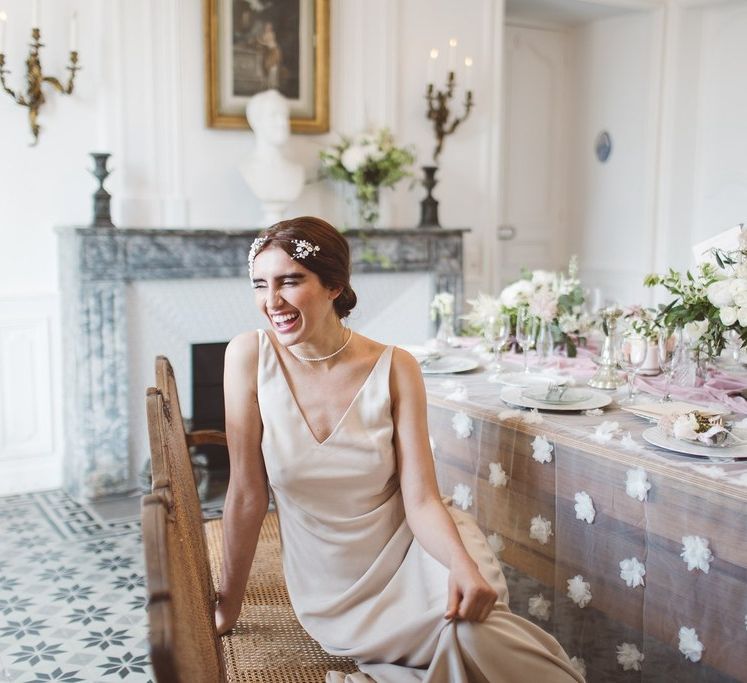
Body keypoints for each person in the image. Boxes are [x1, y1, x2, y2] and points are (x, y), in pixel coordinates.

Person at [215, 216, 584, 682]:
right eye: (260, 285)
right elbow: (247, 494)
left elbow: (423, 499)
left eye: (291, 281)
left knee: (475, 629)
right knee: (468, 639)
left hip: (420, 549)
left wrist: (461, 565)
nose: (272, 303)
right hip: (337, 591)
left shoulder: (395, 367)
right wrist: (227, 606)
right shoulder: (248, 356)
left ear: (334, 286)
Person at [238, 89, 304, 224]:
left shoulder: (297, 170)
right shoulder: (246, 168)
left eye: (285, 116)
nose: (282, 123)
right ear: (255, 121)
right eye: (273, 115)